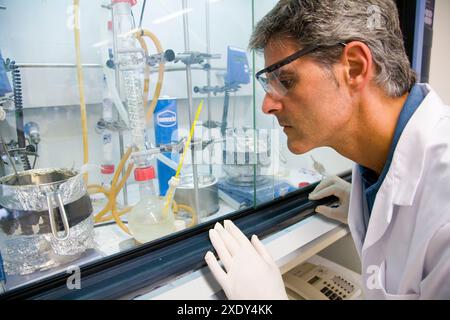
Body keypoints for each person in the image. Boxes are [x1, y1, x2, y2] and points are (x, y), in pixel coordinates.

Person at [204, 0, 450, 300]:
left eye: (285, 80)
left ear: (355, 67)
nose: (267, 105)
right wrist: (363, 206)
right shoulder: (375, 166)